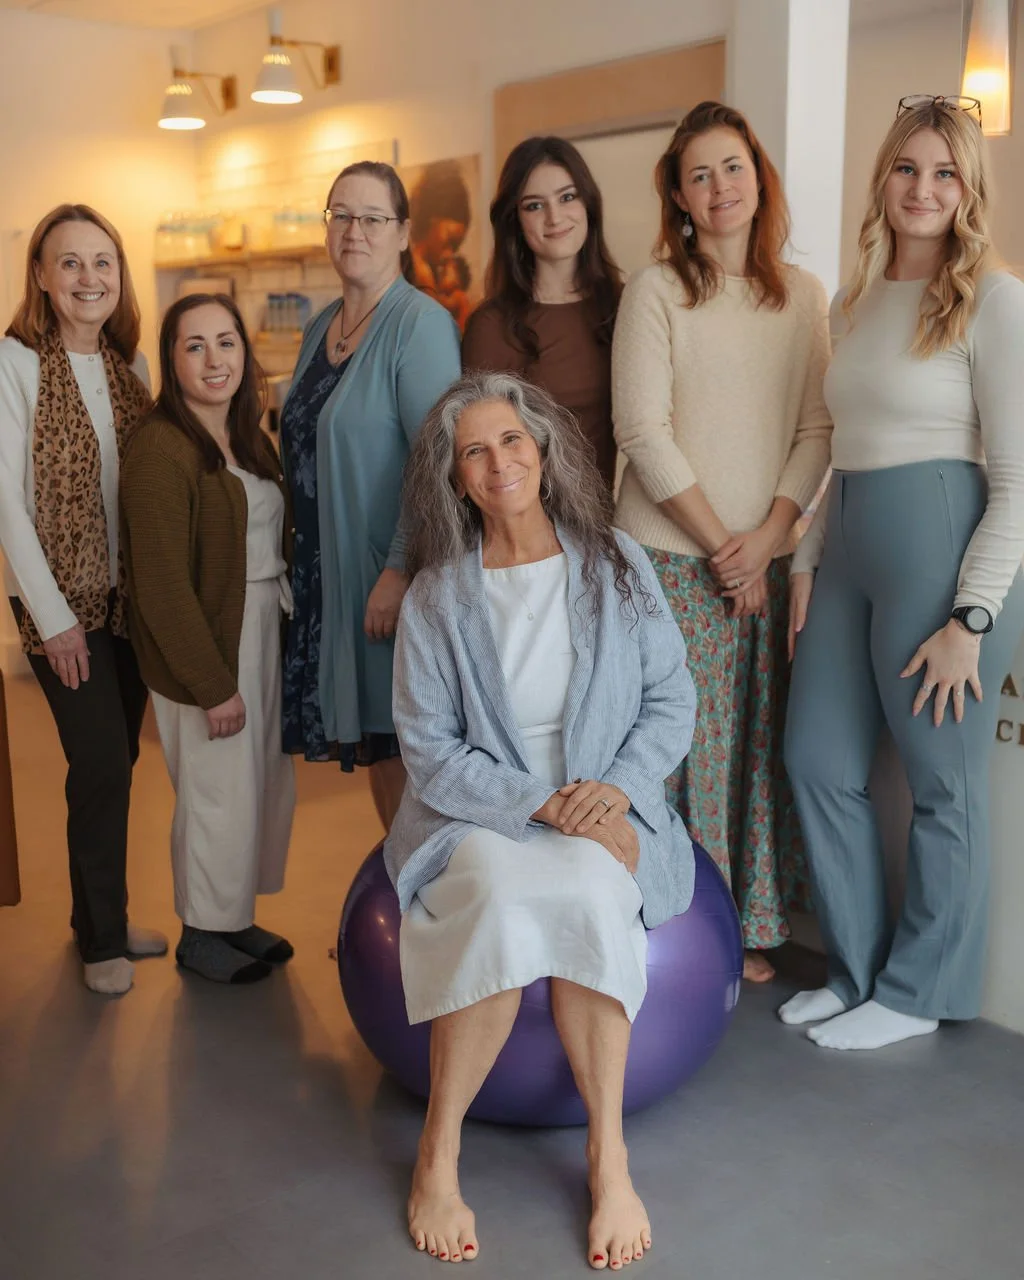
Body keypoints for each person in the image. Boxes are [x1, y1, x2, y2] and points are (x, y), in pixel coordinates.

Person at [384, 371, 697, 1270]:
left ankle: (608, 1158)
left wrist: (621, 787)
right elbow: (430, 749)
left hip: (601, 803)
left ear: (544, 451)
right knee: (495, 893)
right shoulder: (439, 595)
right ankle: (437, 1157)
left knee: (598, 894)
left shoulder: (616, 563)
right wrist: (538, 802)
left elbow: (670, 699)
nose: (498, 462)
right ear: (455, 477)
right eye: (474, 450)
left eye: (511, 441)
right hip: (480, 813)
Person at [781, 96, 1024, 1050]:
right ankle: (856, 970)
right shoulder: (855, 298)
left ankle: (918, 995)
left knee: (942, 788)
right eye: (907, 168)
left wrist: (970, 618)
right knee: (816, 762)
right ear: (883, 177)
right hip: (847, 549)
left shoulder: (996, 300)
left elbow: (1016, 480)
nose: (923, 190)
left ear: (969, 190)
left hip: (941, 549)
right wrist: (805, 557)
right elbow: (840, 446)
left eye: (945, 173)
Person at [611, 101, 832, 983]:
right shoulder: (656, 290)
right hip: (670, 556)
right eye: (699, 174)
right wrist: (720, 549)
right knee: (676, 746)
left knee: (748, 746)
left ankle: (743, 922)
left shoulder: (805, 297)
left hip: (761, 556)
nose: (720, 187)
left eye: (732, 167)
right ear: (679, 195)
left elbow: (819, 428)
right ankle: (672, 919)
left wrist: (768, 539)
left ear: (759, 176)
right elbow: (640, 428)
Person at [0, 204, 165, 996]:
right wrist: (55, 619)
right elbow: (5, 499)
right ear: (40, 275)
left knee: (120, 761)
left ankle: (97, 913)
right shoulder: (16, 364)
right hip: (60, 607)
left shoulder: (129, 370)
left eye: (102, 262)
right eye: (69, 263)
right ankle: (101, 936)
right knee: (99, 761)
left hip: (126, 603)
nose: (88, 278)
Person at [280, 161, 461, 832]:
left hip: (387, 583)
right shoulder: (319, 326)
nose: (354, 231)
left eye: (373, 218)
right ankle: (403, 903)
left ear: (403, 232)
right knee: (377, 754)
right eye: (341, 215)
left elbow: (436, 460)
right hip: (330, 578)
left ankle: (424, 911)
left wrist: (398, 567)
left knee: (405, 752)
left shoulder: (419, 326)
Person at [121, 294, 295, 984]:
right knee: (215, 791)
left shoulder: (247, 436)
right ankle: (201, 933)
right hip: (208, 644)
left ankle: (234, 916)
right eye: (194, 346)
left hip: (261, 628)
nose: (214, 359)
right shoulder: (160, 447)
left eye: (226, 342)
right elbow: (161, 587)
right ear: (171, 360)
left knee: (257, 785)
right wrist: (213, 683)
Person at [462, 136, 623, 492]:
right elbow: (480, 458)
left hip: (607, 524)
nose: (555, 218)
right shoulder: (492, 326)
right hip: (528, 532)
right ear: (514, 220)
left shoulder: (624, 306)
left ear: (588, 205)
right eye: (535, 206)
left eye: (567, 197)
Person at [408, 159, 474, 328]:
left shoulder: (435, 276)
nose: (449, 254)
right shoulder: (405, 269)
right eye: (449, 242)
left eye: (456, 247)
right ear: (431, 221)